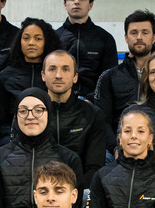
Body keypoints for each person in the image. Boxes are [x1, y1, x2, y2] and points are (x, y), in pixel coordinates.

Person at [0, 88, 86, 208]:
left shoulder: (69, 159)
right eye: (23, 111)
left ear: (49, 114)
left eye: (38, 110)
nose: (30, 116)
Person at [89, 106, 155, 208]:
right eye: (127, 131)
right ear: (120, 138)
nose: (133, 136)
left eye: (141, 131)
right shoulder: (102, 176)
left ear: (150, 139)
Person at [41, 47, 110, 180]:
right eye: (52, 69)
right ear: (43, 75)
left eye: (65, 69)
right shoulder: (31, 113)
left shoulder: (93, 115)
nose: (58, 75)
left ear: (75, 77)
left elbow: (94, 167)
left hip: (77, 190)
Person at [94, 10, 155, 129]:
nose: (139, 37)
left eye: (145, 32)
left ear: (153, 38)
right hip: (120, 144)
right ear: (126, 38)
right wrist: (116, 147)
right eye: (134, 33)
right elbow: (103, 122)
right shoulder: (109, 77)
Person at [57, 0, 116, 99]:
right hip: (60, 103)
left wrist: (91, 100)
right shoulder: (54, 38)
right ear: (65, 4)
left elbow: (109, 77)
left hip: (94, 105)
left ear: (91, 5)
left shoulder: (105, 38)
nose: (76, 2)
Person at [0, 16, 59, 122]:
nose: (31, 43)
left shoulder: (56, 74)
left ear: (46, 42)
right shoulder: (5, 76)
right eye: (26, 38)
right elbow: (1, 119)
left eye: (38, 39)